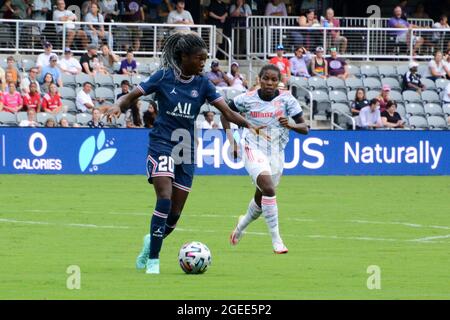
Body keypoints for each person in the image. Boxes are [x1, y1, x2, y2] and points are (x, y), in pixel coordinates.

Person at [106, 32, 261, 274]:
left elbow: (227, 113)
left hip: (187, 149)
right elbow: (132, 96)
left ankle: (151, 241)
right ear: (184, 57)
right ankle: (154, 261)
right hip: (162, 143)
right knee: (164, 197)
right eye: (200, 58)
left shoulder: (203, 84)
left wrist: (249, 124)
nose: (204, 63)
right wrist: (118, 105)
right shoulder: (164, 77)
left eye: (206, 58)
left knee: (174, 216)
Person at [222, 64, 308, 254]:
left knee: (262, 198)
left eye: (273, 79)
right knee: (268, 188)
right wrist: (232, 141)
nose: (269, 82)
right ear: (259, 79)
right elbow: (225, 114)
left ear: (279, 82)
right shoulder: (247, 98)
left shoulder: (287, 100)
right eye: (266, 78)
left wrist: (292, 125)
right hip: (252, 147)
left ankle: (240, 226)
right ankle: (277, 240)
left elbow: (305, 128)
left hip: (276, 152)